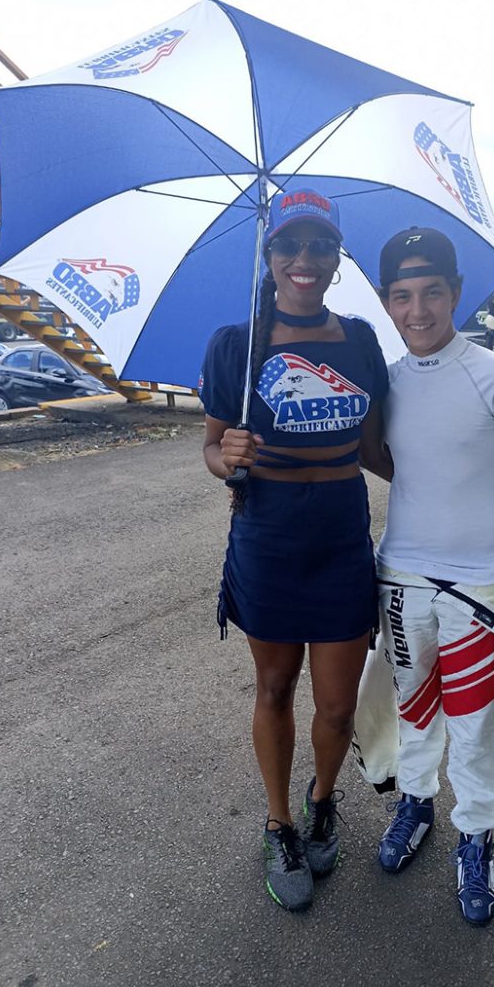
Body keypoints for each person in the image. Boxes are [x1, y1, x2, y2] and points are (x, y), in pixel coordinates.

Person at [199, 188, 389, 912]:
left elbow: (373, 450)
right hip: (269, 538)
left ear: (337, 259)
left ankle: (322, 800)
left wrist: (453, 486)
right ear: (270, 254)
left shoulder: (360, 342)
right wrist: (226, 456)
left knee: (337, 707)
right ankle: (278, 824)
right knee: (275, 689)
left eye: (320, 246)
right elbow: (211, 450)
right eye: (290, 245)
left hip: (341, 537)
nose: (304, 259)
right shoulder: (236, 344)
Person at [366, 226, 494, 925]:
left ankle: (474, 836)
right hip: (401, 577)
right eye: (402, 296)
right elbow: (393, 462)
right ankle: (415, 804)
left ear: (456, 293)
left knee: (475, 727)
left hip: (482, 586)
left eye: (432, 292)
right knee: (414, 710)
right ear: (387, 300)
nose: (417, 311)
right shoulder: (385, 380)